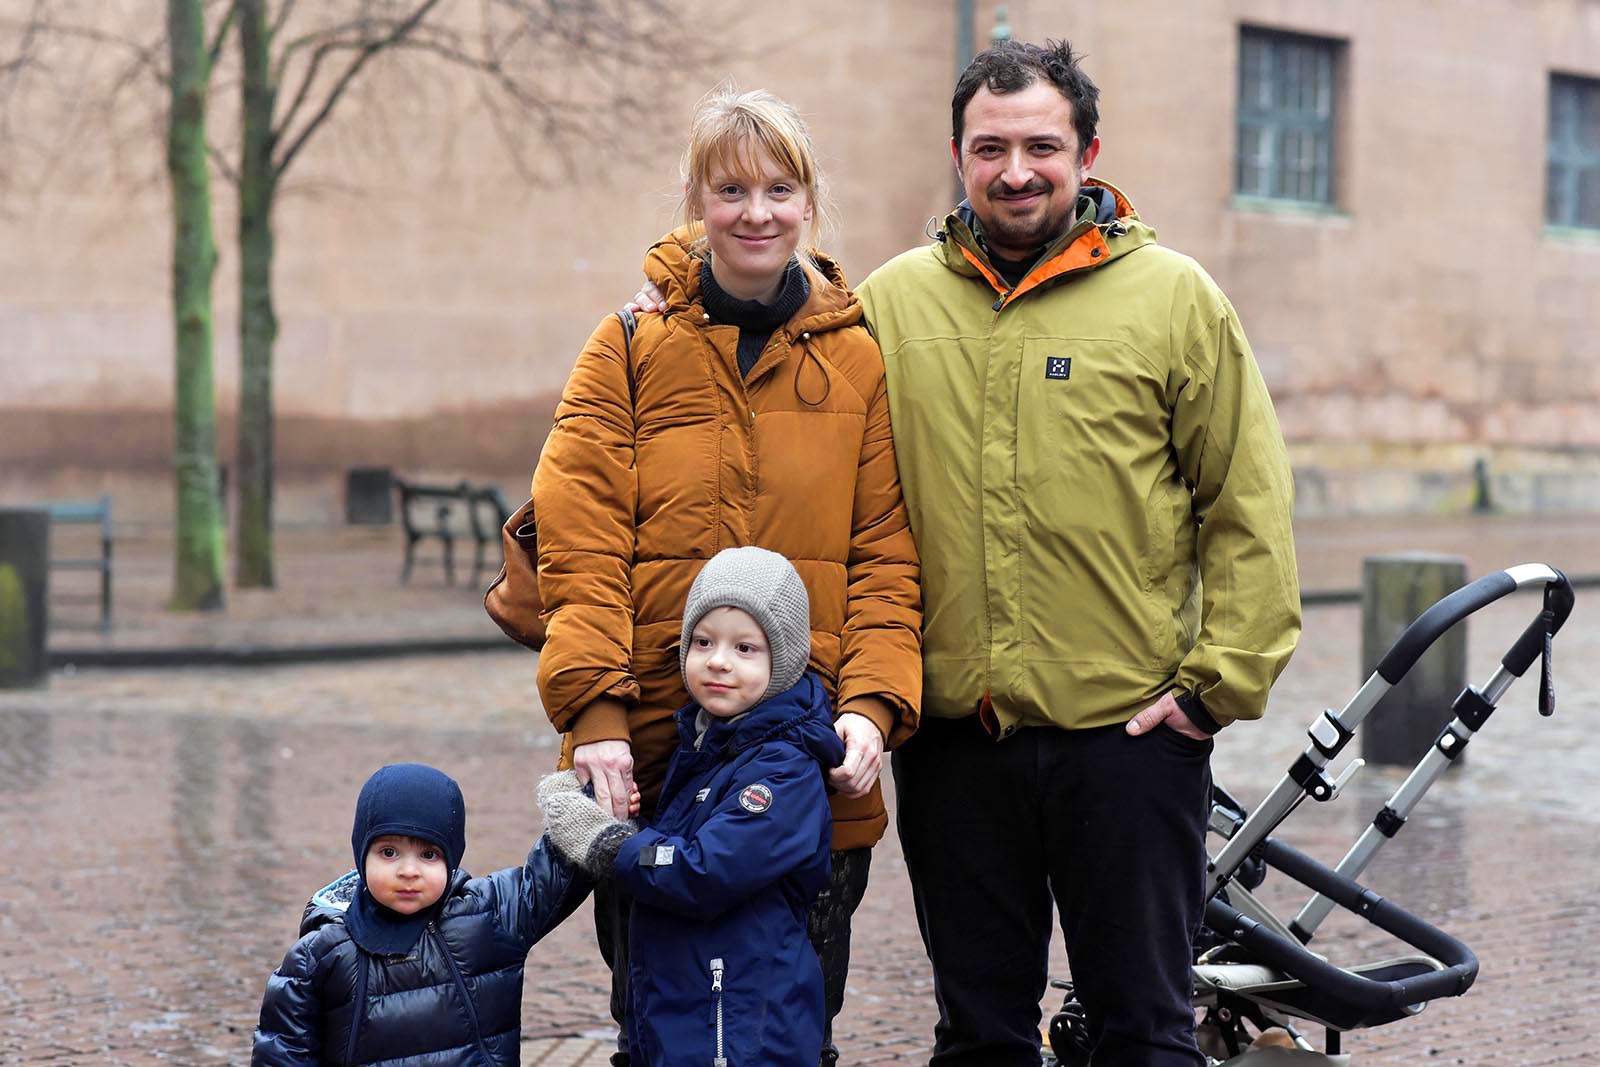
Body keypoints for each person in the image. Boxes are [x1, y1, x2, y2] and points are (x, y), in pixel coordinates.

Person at [628, 36, 1302, 1067]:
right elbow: (758, 304)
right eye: (991, 148)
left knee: (1143, 1030)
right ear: (958, 154)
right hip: (954, 743)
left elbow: (1246, 503)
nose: (1017, 170)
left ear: (1087, 152)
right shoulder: (892, 302)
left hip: (1125, 739)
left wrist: (1214, 689)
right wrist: (667, 305)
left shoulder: (1174, 298)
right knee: (978, 1033)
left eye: (1042, 144)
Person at [532, 86, 922, 1066]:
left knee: (796, 1023)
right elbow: (578, 554)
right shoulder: (625, 347)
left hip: (806, 769)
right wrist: (597, 719)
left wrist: (872, 707)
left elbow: (884, 555)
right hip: (658, 756)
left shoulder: (859, 360)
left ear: (808, 201)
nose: (756, 210)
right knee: (656, 1019)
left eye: (778, 187)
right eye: (731, 187)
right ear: (696, 201)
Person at [539, 546, 845, 1067]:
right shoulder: (708, 742)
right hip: (694, 1005)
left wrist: (611, 843)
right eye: (703, 641)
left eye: (745, 648)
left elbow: (702, 870)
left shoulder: (782, 770)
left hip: (739, 1022)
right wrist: (632, 821)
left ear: (785, 660)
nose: (718, 660)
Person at [250, 763, 589, 1067]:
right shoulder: (320, 953)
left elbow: (556, 874)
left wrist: (590, 795)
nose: (408, 870)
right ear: (360, 854)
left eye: (428, 854)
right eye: (388, 852)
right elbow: (283, 1052)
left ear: (451, 858)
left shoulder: (489, 916)